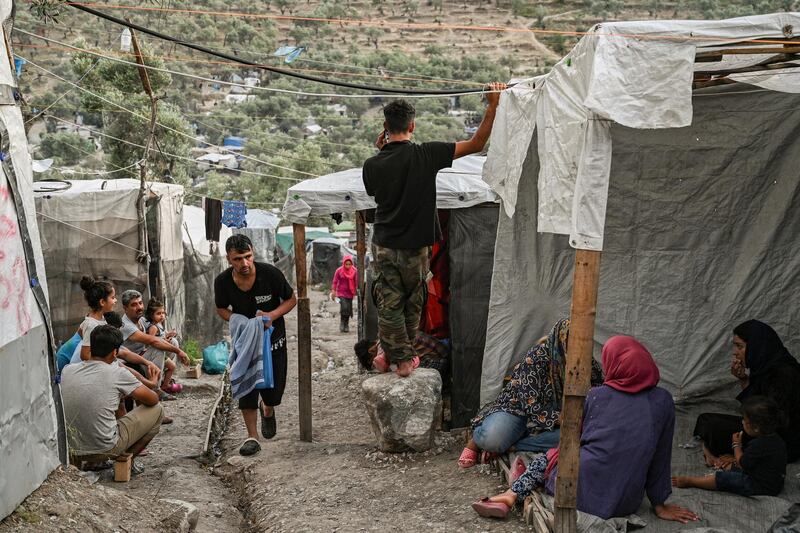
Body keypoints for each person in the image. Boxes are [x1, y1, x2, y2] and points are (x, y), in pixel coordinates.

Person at [472, 336, 699, 525]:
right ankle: (520, 482)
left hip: (574, 490)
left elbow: (575, 442)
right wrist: (659, 504)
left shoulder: (596, 395)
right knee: (564, 448)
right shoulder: (663, 401)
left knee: (552, 456)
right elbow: (659, 457)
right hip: (624, 500)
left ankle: (511, 494)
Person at [362, 83, 506, 378]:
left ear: (386, 127)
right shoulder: (428, 154)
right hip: (417, 246)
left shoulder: (371, 165)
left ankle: (388, 355)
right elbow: (477, 143)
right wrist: (493, 105)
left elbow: (378, 189)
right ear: (412, 125)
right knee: (414, 300)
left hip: (386, 244)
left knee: (390, 301)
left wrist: (381, 152)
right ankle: (403, 362)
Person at [458, 319, 603, 468]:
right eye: (572, 342)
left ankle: (517, 445)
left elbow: (599, 391)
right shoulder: (537, 357)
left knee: (578, 437)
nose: (578, 348)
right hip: (518, 411)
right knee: (493, 440)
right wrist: (560, 418)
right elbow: (529, 404)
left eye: (582, 342)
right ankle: (476, 440)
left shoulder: (587, 363)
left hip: (556, 419)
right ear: (561, 340)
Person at [214, 234, 297, 456]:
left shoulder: (270, 274)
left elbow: (291, 299)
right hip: (246, 342)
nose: (244, 263)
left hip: (273, 342)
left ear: (253, 253)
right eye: (238, 259)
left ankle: (267, 409)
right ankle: (252, 436)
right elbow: (221, 307)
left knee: (273, 393)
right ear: (229, 259)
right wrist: (238, 320)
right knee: (247, 387)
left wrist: (272, 315)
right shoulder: (222, 282)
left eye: (248, 257)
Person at [693, 320, 800, 464]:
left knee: (713, 427)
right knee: (705, 420)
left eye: (740, 346)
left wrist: (743, 454)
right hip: (762, 427)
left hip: (781, 441)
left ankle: (736, 454)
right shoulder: (764, 366)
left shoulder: (784, 373)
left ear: (757, 346)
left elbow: (770, 421)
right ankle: (711, 449)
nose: (735, 352)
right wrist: (743, 379)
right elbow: (758, 405)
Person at [61, 325, 164, 475]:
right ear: (115, 352)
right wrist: (152, 381)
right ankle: (126, 460)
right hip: (105, 448)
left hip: (71, 449)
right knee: (158, 410)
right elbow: (153, 400)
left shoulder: (68, 370)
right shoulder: (117, 373)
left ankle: (90, 462)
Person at [674, 395, 787, 497]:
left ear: (756, 427)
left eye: (745, 421)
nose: (742, 422)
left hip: (761, 486)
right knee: (730, 467)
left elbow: (741, 463)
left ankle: (692, 481)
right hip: (773, 481)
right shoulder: (777, 440)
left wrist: (736, 444)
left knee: (723, 478)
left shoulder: (758, 445)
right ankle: (715, 462)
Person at [119, 289, 191, 404]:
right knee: (159, 348)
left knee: (172, 342)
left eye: (140, 303)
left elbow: (157, 336)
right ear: (125, 308)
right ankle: (155, 389)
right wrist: (179, 352)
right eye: (134, 305)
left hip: (143, 356)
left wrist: (167, 336)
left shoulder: (141, 320)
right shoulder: (125, 325)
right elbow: (153, 341)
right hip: (131, 362)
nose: (139, 307)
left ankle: (160, 380)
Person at [353, 330, 449, 377]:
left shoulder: (384, 347)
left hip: (438, 360)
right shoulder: (384, 339)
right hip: (442, 351)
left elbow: (393, 369)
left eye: (371, 361)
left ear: (371, 351)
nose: (374, 364)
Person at [143, 298, 182, 395]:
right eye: (158, 314)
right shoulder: (153, 327)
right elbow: (151, 341)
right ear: (152, 315)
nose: (162, 316)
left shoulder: (159, 325)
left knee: (172, 366)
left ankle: (165, 385)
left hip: (162, 352)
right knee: (171, 366)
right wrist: (164, 340)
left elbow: (162, 336)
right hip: (155, 354)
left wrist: (169, 335)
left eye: (163, 313)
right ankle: (158, 387)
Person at [331, 255, 357, 333]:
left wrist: (356, 291)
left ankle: (346, 324)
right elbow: (335, 282)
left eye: (349, 264)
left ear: (351, 264)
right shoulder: (339, 271)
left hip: (350, 293)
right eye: (346, 264)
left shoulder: (355, 271)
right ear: (344, 263)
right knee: (344, 307)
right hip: (341, 292)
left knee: (348, 309)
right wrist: (333, 291)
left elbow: (357, 282)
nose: (348, 266)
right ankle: (342, 322)